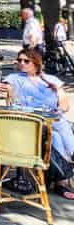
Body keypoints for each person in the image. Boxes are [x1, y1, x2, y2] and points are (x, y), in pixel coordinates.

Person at [4, 49, 74, 198]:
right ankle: (71, 159)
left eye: (26, 61)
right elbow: (9, 93)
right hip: (31, 121)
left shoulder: (50, 80)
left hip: (51, 120)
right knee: (60, 124)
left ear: (36, 63)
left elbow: (64, 104)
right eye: (19, 60)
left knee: (56, 136)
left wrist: (59, 108)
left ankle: (60, 181)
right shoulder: (14, 78)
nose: (21, 63)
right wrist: (6, 90)